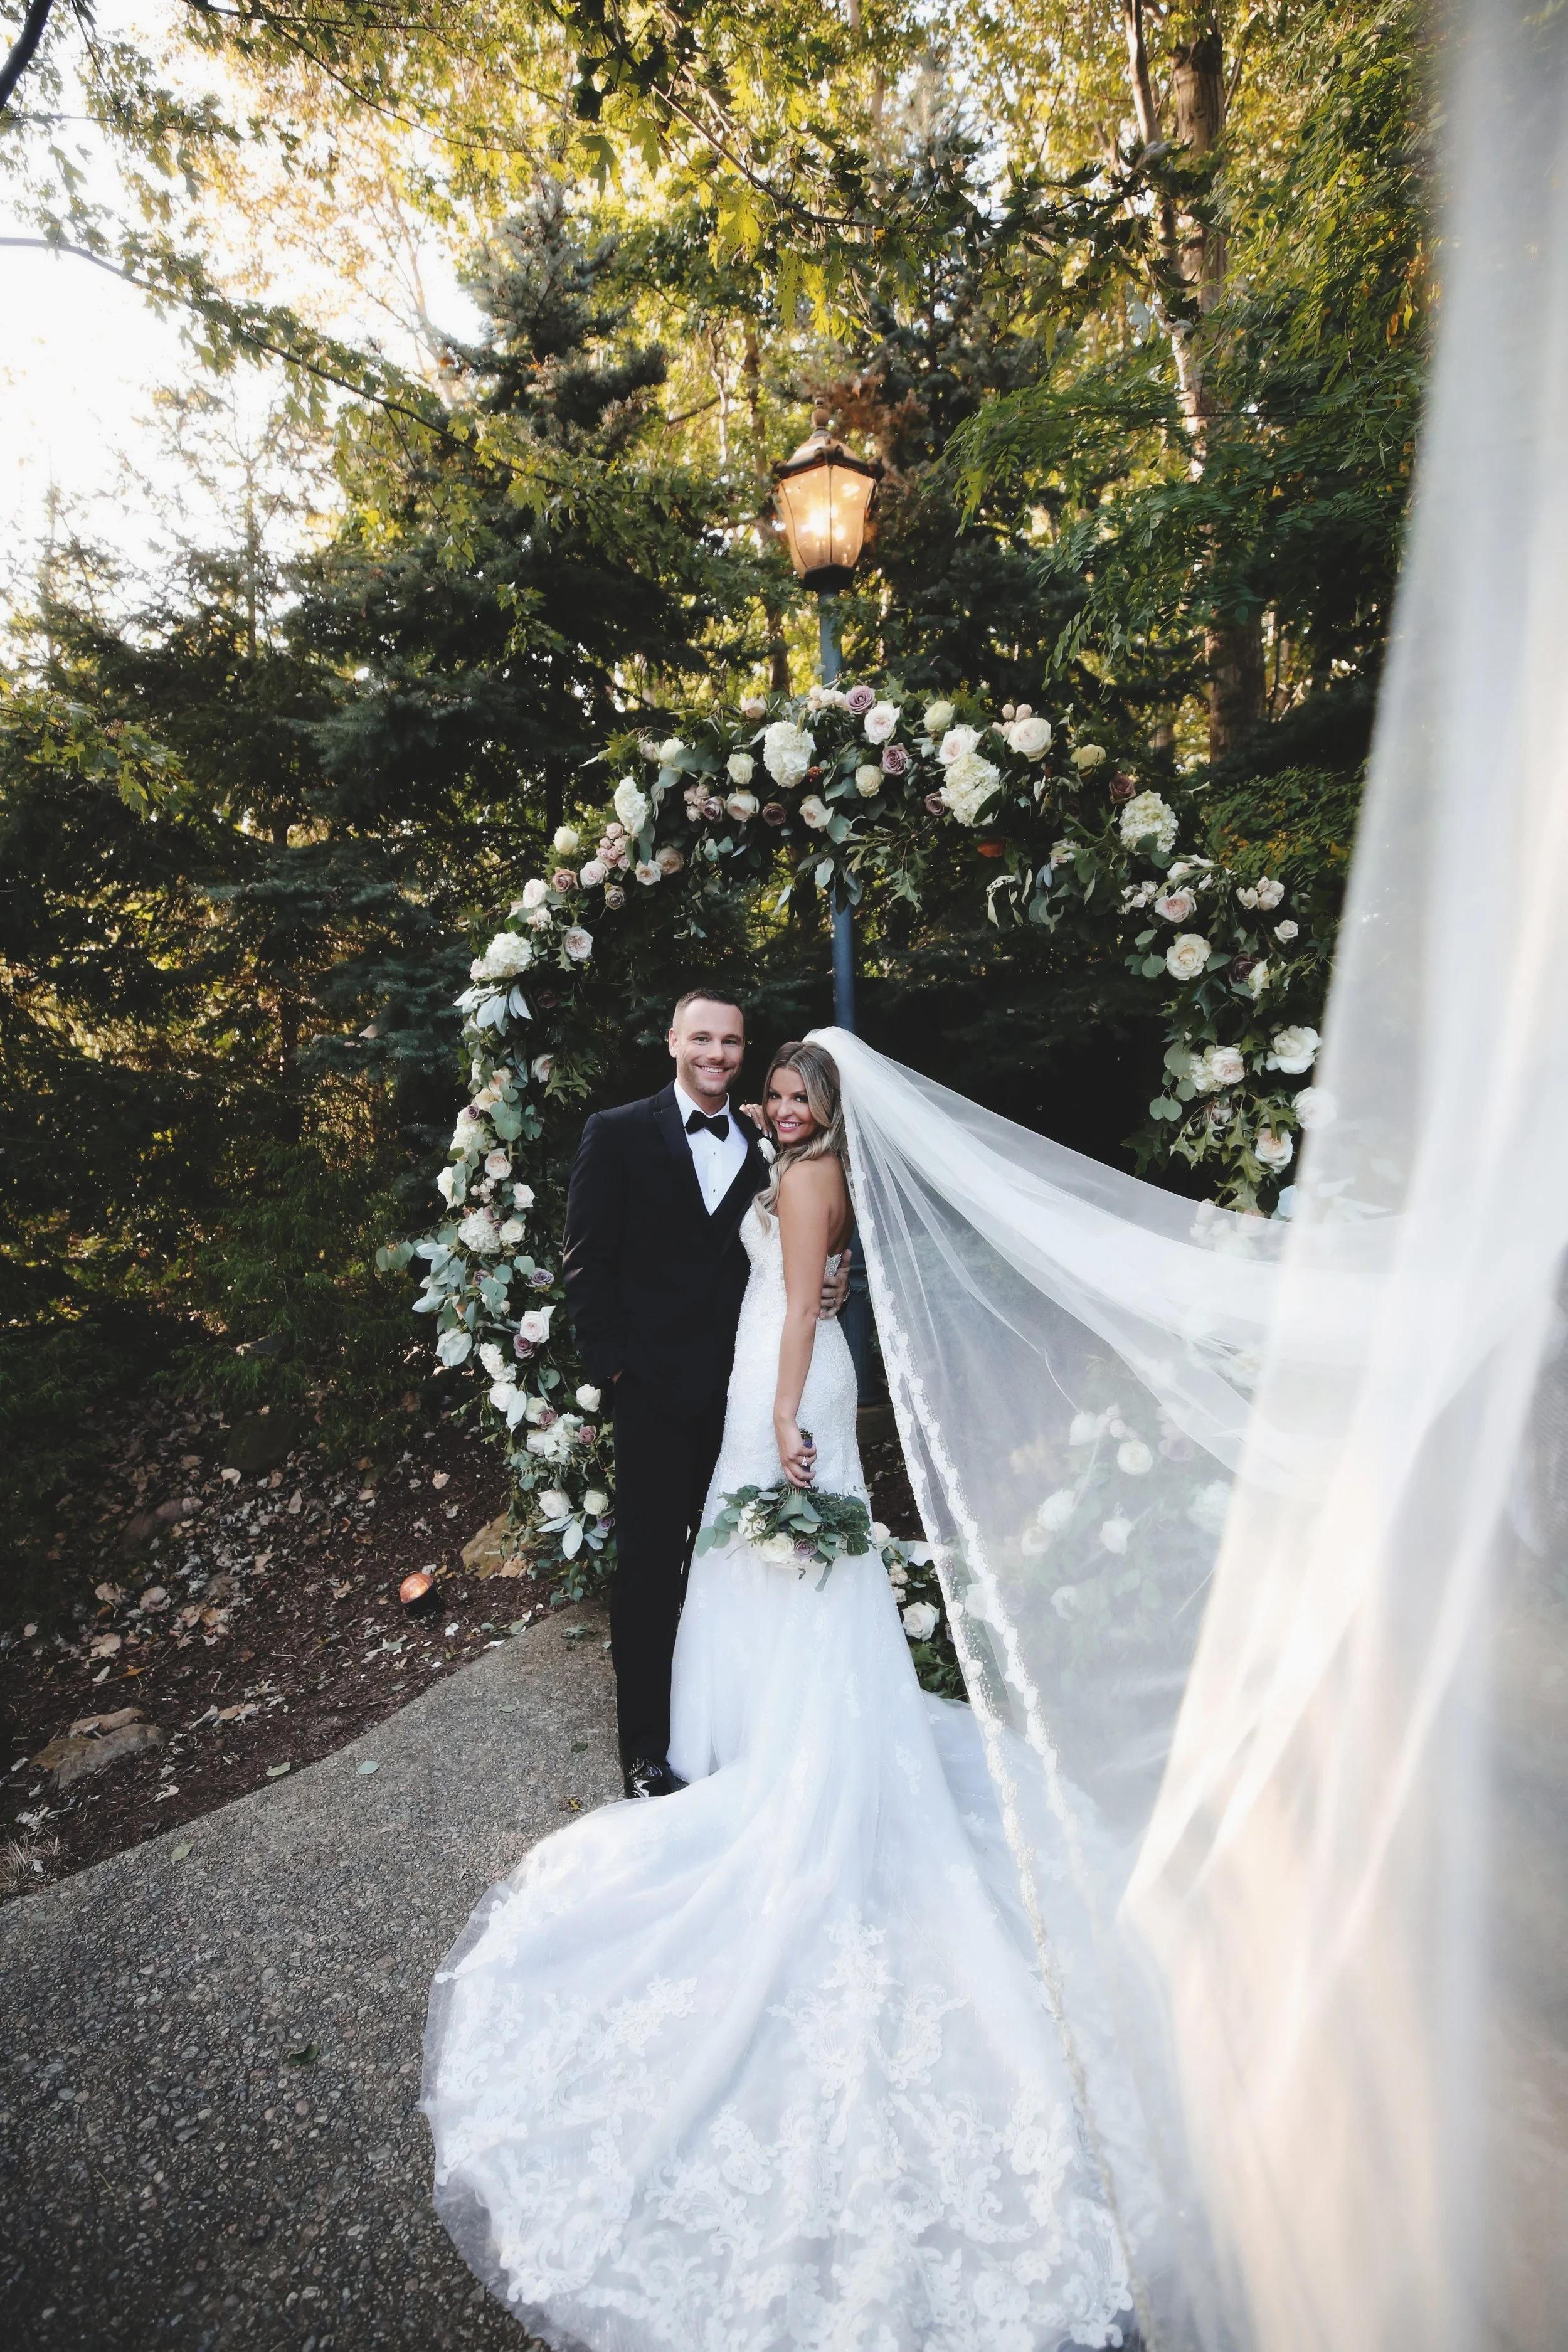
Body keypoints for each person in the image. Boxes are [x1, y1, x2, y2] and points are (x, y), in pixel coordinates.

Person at [424, 1037, 1135, 2349]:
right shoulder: (779, 1158)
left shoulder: (806, 1180)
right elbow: (771, 1266)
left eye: (795, 1093)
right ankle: (759, 1736)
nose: (774, 1101)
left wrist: (793, 1417)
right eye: (770, 1087)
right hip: (764, 1376)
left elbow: (804, 1298)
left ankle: (800, 1756)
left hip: (785, 1387)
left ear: (825, 1110)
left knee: (784, 1570)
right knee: (750, 1578)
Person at [561, 987, 849, 1799]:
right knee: (651, 1577)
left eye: (731, 1042)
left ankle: (728, 1735)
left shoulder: (775, 1138)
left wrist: (837, 1284)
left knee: (737, 1568)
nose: (717, 1054)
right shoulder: (615, 1133)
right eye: (703, 1039)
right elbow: (587, 1263)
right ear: (673, 1040)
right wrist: (617, 1368)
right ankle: (649, 1755)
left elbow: (807, 1249)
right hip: (653, 1393)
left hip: (748, 1397)